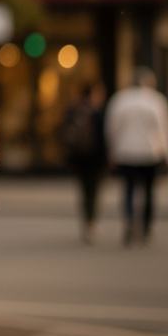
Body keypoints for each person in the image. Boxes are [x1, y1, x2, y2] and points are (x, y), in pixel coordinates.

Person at [104, 66, 168, 247]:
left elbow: (111, 129)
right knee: (148, 192)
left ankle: (130, 219)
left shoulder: (120, 100)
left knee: (129, 190)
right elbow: (166, 129)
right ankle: (146, 228)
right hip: (149, 153)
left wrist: (112, 152)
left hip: (126, 153)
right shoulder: (156, 101)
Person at [59, 81, 108, 243]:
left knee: (85, 191)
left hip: (79, 159)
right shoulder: (98, 113)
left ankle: (87, 223)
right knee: (93, 191)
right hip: (94, 159)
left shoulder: (74, 110)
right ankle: (91, 223)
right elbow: (104, 138)